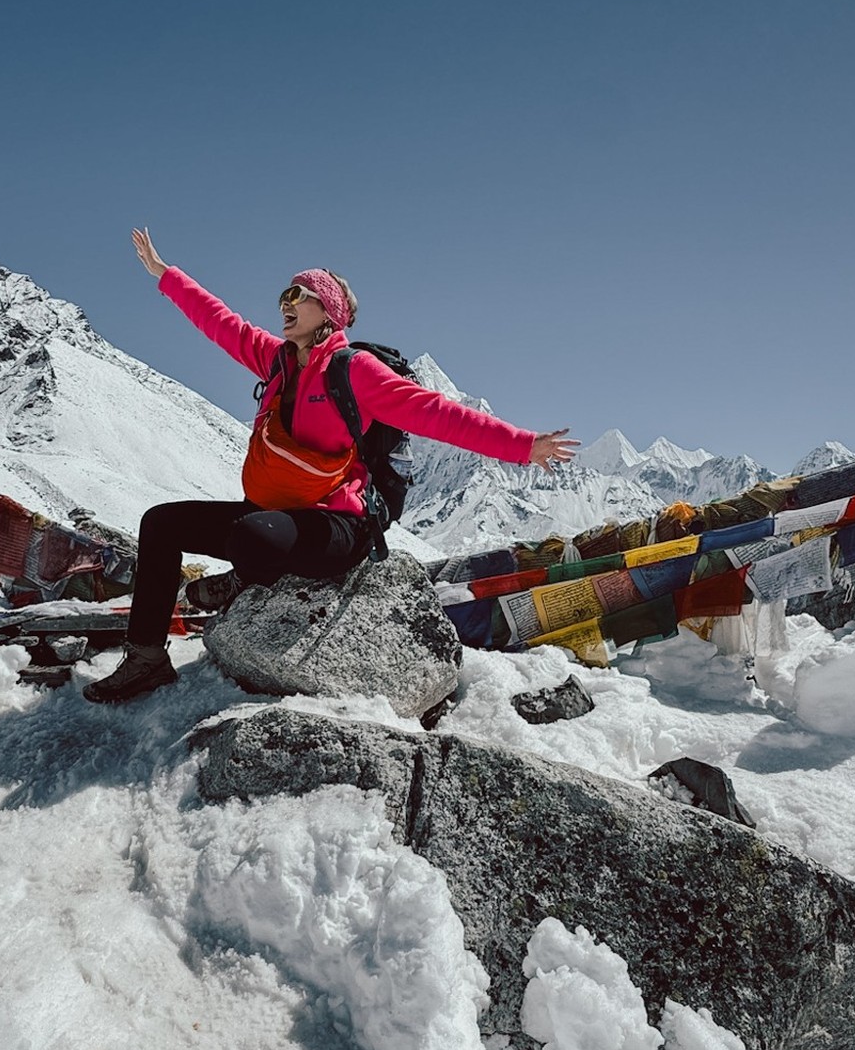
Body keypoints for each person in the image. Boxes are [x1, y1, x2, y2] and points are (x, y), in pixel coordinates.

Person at [84, 228, 580, 703]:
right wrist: (165, 274)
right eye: (284, 294)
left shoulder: (354, 371)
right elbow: (221, 322)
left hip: (339, 523)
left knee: (252, 537)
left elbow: (437, 413)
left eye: (298, 295)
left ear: (328, 311)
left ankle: (241, 582)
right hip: (277, 513)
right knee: (162, 523)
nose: (285, 303)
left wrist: (524, 445)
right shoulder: (277, 361)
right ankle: (146, 658)